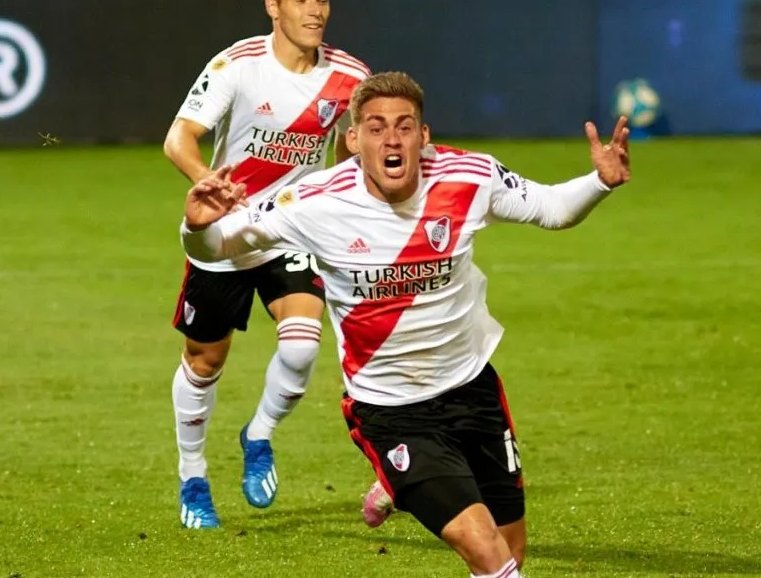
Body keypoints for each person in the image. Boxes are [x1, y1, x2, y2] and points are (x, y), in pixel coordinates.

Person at [180, 72, 630, 576]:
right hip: (390, 410)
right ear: (353, 141)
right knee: (484, 550)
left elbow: (550, 209)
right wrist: (196, 226)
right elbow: (218, 246)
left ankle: (396, 487)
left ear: (423, 136)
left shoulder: (469, 177)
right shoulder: (314, 201)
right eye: (375, 128)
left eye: (404, 126)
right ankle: (401, 476)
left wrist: (598, 183)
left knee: (511, 551)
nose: (391, 139)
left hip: (472, 390)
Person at [163, 0, 370, 529]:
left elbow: (354, 152)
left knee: (303, 345)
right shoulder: (238, 64)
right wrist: (207, 183)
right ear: (273, 5)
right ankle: (193, 477)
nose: (316, 11)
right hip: (228, 233)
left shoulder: (351, 77)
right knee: (204, 362)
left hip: (291, 229)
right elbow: (179, 139)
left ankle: (258, 435)